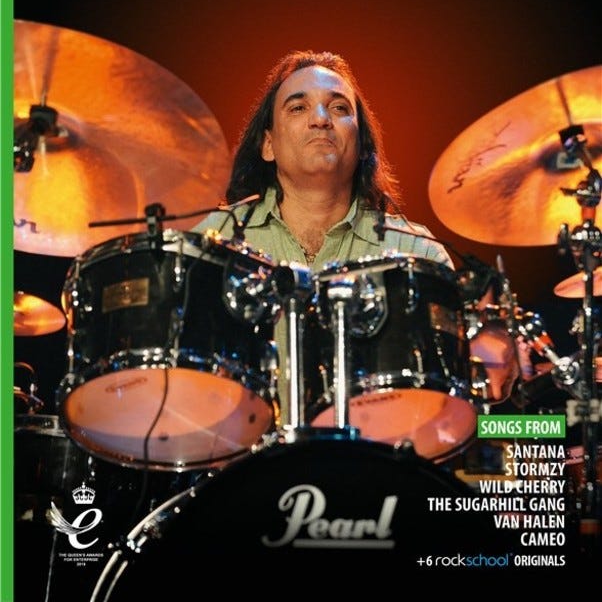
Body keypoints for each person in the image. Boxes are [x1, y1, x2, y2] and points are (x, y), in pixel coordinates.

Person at [194, 49, 516, 440]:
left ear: (362, 144)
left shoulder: (417, 252)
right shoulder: (215, 240)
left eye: (339, 108)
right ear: (268, 145)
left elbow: (457, 388)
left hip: (377, 463)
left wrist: (486, 355)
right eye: (298, 108)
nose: (320, 119)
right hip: (239, 460)